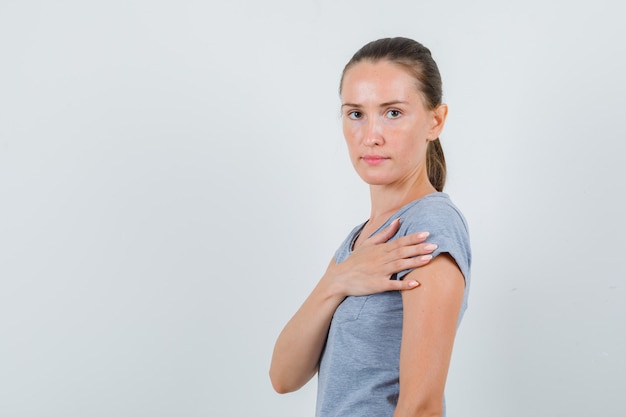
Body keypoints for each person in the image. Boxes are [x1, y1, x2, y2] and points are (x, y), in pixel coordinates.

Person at [269, 37, 471, 417]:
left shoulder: (427, 227)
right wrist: (337, 280)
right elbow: (283, 376)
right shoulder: (361, 242)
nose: (370, 135)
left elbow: (421, 407)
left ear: (435, 120)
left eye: (393, 113)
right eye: (356, 113)